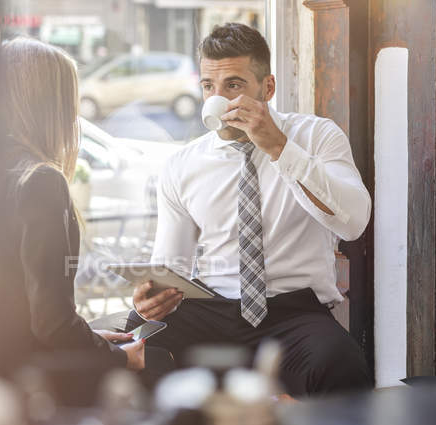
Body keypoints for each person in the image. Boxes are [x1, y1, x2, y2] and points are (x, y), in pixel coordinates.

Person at [130, 23, 373, 396]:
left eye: (233, 85)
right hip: (215, 310)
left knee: (341, 363)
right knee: (140, 337)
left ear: (268, 88)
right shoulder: (183, 165)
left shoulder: (317, 137)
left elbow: (353, 222)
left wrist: (279, 149)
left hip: (294, 312)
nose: (218, 98)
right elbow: (171, 267)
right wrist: (151, 299)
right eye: (209, 87)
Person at [0, 37, 146, 392]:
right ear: (50, 107)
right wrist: (118, 357)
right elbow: (51, 324)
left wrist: (87, 336)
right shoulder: (41, 180)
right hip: (27, 372)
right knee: (157, 358)